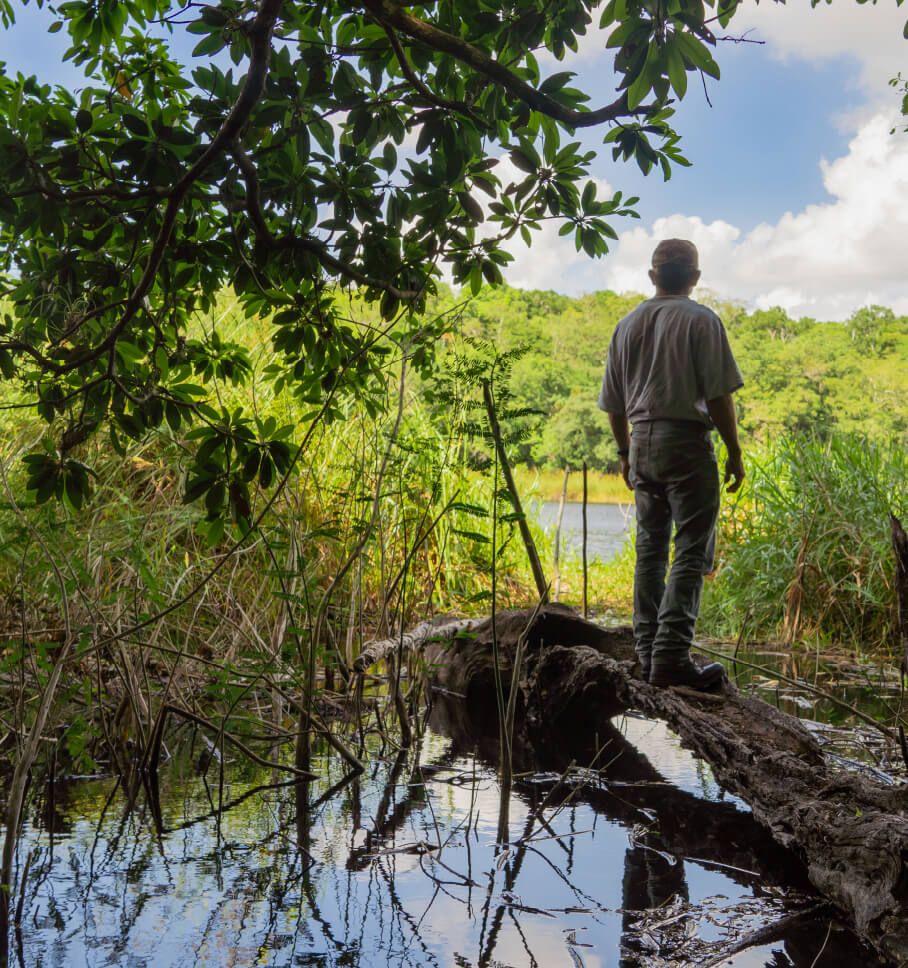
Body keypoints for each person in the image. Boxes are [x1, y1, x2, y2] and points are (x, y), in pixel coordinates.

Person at [598, 239, 745, 690]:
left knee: (650, 549)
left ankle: (647, 653)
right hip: (685, 442)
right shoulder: (702, 321)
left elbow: (614, 404)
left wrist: (625, 453)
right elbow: (719, 397)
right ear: (695, 278)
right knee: (690, 550)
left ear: (653, 276)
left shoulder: (626, 325)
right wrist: (734, 453)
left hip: (641, 442)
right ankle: (671, 657)